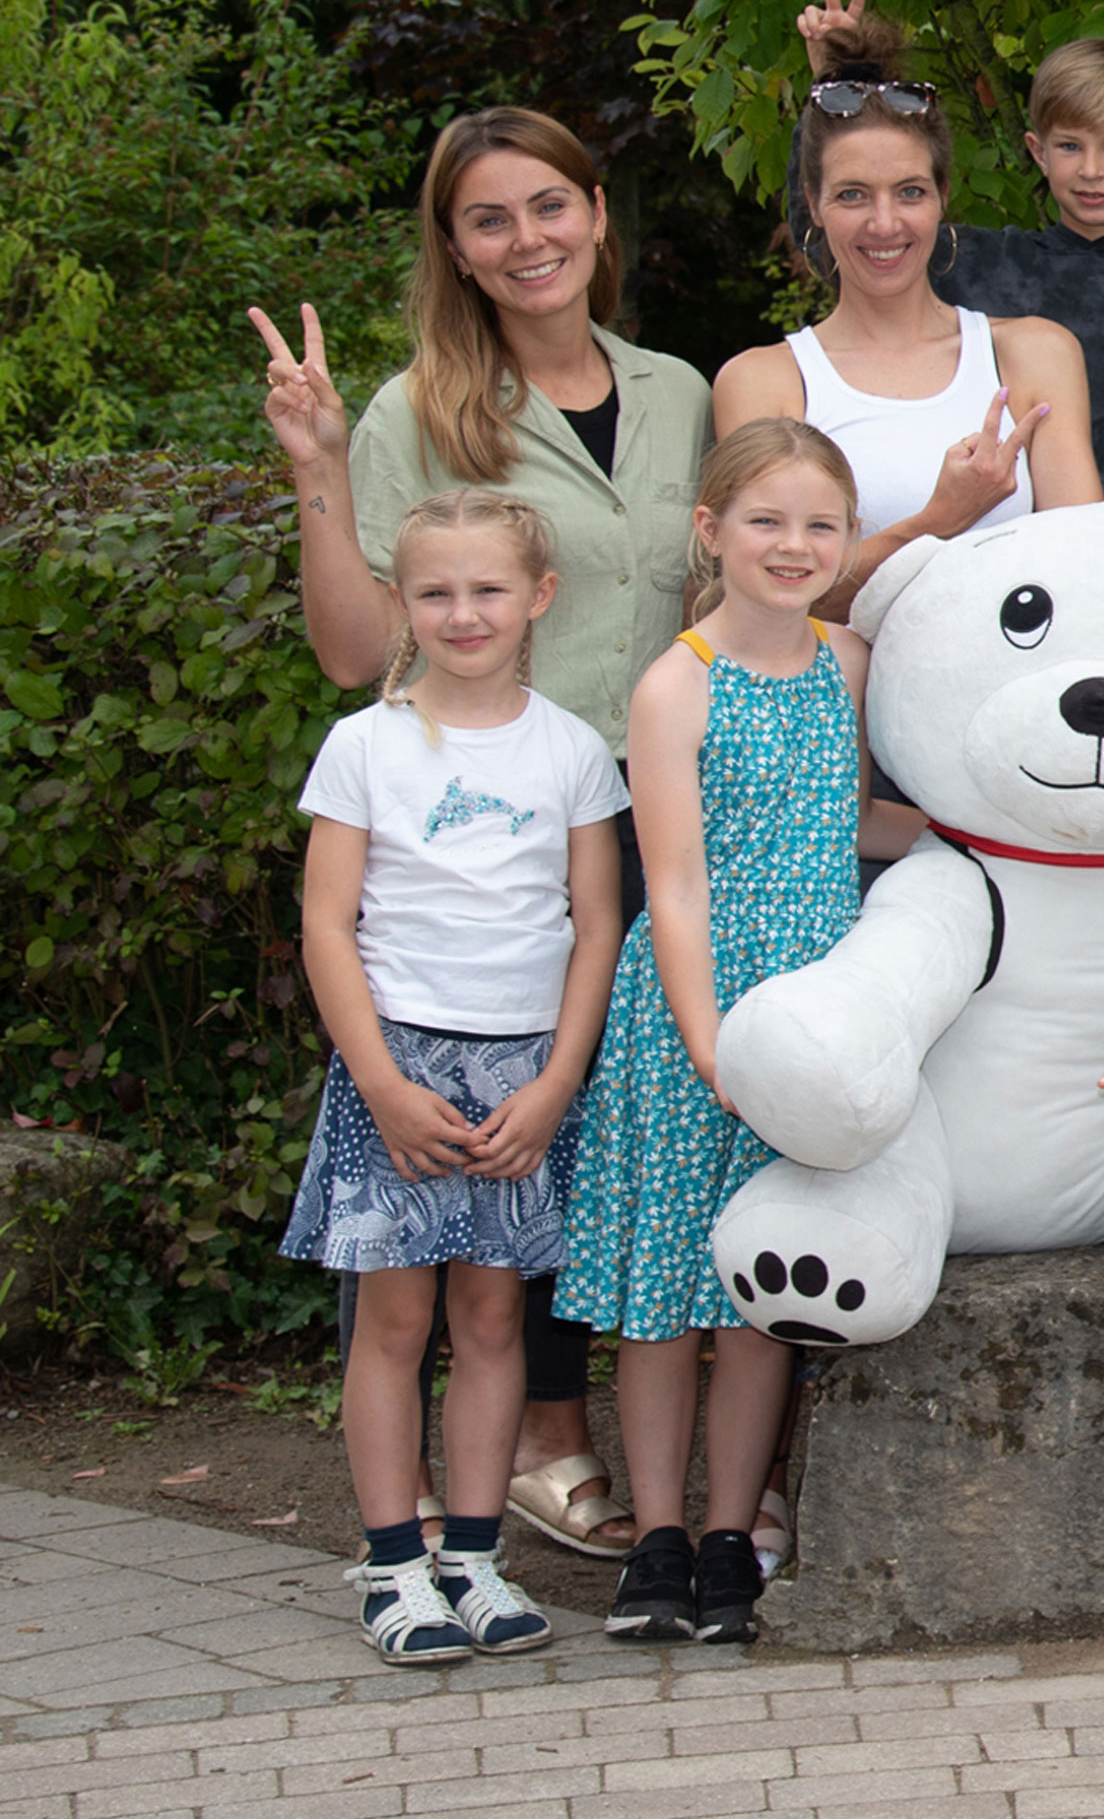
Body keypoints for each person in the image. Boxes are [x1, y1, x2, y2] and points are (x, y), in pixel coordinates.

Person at [253, 105, 709, 1564]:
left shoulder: (678, 389)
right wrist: (319, 466)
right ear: (453, 247)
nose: (528, 242)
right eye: (489, 220)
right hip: (489, 825)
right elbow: (352, 650)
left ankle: (653, 1435)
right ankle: (541, 1445)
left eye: (549, 207)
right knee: (514, 1131)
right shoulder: (419, 410)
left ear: (596, 213)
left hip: (659, 805)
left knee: (623, 1124)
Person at [559, 419, 912, 1647]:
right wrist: (712, 1044)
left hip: (812, 1016)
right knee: (664, 1296)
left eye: (821, 524)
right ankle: (655, 1539)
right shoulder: (678, 682)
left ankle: (727, 1533)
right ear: (709, 531)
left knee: (765, 1285)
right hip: (694, 1018)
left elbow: (857, 821)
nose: (794, 545)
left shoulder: (850, 663)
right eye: (765, 520)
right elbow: (677, 882)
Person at [283, 491, 628, 1663]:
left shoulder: (574, 750)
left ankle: (476, 1561)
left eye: (487, 590)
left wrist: (557, 1085)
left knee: (492, 1318)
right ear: (401, 604)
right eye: (434, 592)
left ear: (538, 597)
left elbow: (597, 925)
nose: (461, 613)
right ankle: (395, 1568)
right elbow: (328, 927)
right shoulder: (365, 745)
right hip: (401, 1064)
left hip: (525, 1072)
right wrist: (377, 1081)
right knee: (393, 1320)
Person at [791, 0, 1104, 518]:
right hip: (1007, 564)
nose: (1091, 170)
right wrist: (839, 85)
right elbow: (845, 228)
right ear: (1037, 151)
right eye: (1069, 145)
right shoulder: (976, 265)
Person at [713, 8, 1104, 616]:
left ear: (943, 197)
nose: (884, 223)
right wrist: (940, 520)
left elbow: (1083, 570)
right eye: (851, 195)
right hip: (842, 707)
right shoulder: (764, 381)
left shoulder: (1032, 353)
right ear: (812, 205)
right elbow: (771, 597)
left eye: (910, 192)